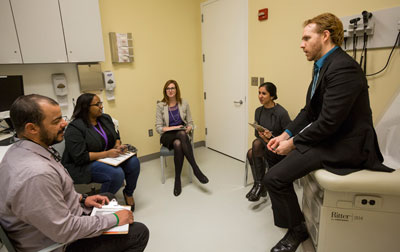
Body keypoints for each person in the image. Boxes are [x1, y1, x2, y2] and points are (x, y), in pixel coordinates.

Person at [262, 13, 394, 252]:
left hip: (345, 145)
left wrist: (293, 144)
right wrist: (285, 134)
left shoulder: (343, 68)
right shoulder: (321, 66)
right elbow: (309, 111)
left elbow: (328, 123)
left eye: (306, 38)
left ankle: (297, 229)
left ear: (325, 36)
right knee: (270, 152)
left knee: (274, 178)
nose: (301, 44)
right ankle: (293, 217)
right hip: (331, 136)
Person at [0, 94, 149, 252]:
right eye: (56, 121)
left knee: (109, 199)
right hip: (61, 244)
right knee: (139, 232)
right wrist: (115, 219)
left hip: (60, 223)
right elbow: (65, 231)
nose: (64, 123)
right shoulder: (36, 175)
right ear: (32, 128)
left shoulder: (19, 150)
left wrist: (82, 198)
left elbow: (53, 194)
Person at [62, 93, 140, 207]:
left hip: (108, 158)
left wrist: (117, 145)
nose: (101, 106)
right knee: (116, 174)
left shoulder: (105, 118)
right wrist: (107, 153)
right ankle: (100, 204)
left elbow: (116, 136)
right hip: (84, 164)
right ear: (86, 107)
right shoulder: (75, 128)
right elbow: (80, 157)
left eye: (101, 103)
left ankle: (128, 193)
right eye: (97, 104)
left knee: (134, 162)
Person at [155, 80, 209, 196]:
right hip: (167, 136)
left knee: (178, 144)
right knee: (181, 135)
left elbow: (190, 122)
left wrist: (188, 127)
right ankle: (196, 169)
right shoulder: (160, 106)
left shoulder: (184, 103)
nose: (170, 90)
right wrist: (174, 128)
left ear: (176, 89)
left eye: (172, 88)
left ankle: (177, 180)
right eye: (168, 88)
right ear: (165, 91)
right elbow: (159, 128)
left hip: (181, 134)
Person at [246, 82, 291, 202]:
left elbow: (289, 137)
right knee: (252, 150)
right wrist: (263, 136)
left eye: (264, 93)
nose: (260, 96)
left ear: (272, 96)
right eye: (259, 93)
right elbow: (257, 134)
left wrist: (271, 137)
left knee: (254, 149)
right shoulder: (258, 111)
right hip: (264, 144)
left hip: (278, 148)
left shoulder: (281, 113)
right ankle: (260, 184)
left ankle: (260, 185)